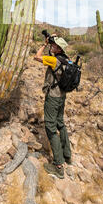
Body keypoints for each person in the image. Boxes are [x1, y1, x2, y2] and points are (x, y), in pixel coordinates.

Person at [34, 34, 72, 179]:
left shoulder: (53, 60)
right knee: (60, 124)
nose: (51, 46)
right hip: (62, 97)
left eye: (54, 45)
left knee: (50, 127)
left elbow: (36, 57)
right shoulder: (67, 59)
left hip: (53, 98)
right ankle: (67, 156)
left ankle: (58, 166)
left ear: (58, 48)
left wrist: (43, 45)